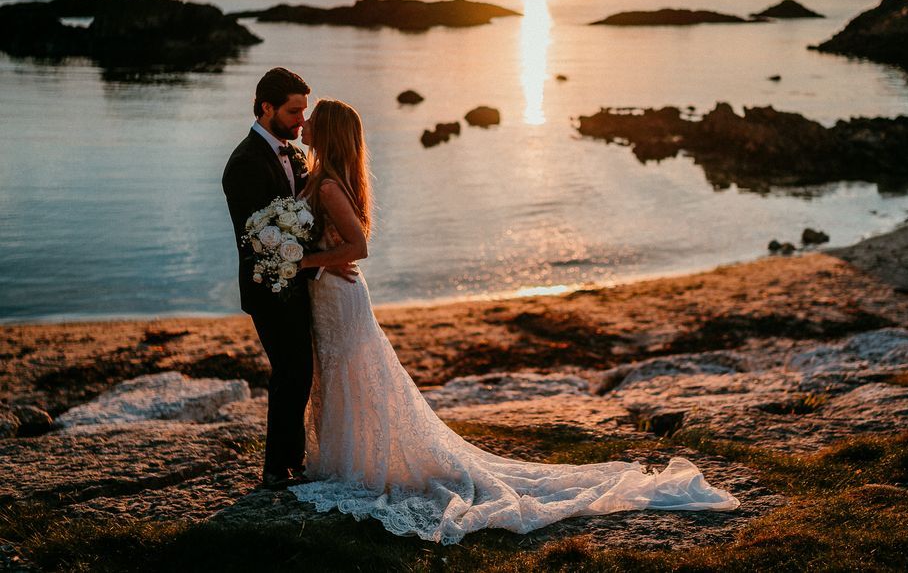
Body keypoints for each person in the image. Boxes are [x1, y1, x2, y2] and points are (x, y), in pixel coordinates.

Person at [289, 98, 740, 544]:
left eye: (312, 120)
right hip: (332, 294)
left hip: (338, 293)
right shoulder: (323, 177)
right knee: (342, 376)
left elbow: (358, 247)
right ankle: (345, 459)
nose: (304, 124)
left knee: (355, 377)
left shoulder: (329, 186)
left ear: (328, 132)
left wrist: (305, 260)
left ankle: (351, 466)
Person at [221, 67, 353, 489]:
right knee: (291, 372)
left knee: (302, 371)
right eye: (295, 112)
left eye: (304, 112)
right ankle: (278, 469)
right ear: (267, 107)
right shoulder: (243, 164)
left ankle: (294, 462)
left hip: (303, 284)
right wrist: (322, 258)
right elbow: (258, 238)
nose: (302, 120)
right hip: (269, 288)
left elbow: (309, 220)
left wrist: (326, 253)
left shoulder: (296, 155)